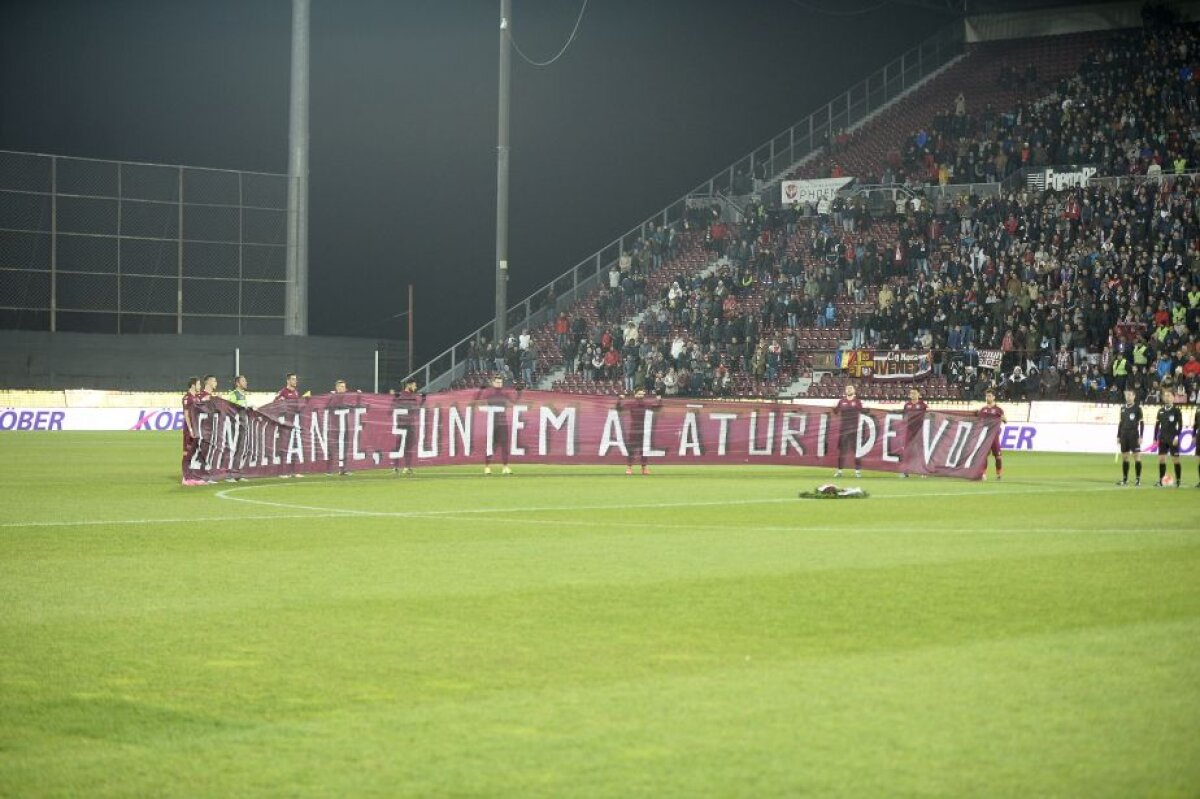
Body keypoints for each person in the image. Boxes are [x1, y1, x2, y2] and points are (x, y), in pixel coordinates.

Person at [475, 374, 514, 475]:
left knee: (505, 444)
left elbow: (514, 403)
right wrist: (480, 392)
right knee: (491, 445)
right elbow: (478, 402)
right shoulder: (488, 393)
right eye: (497, 382)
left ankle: (505, 467)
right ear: (493, 383)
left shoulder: (505, 393)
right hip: (492, 422)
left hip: (503, 421)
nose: (499, 384)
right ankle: (487, 467)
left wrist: (519, 393)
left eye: (500, 382)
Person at [617, 388, 660, 475]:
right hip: (634, 430)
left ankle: (644, 468)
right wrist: (619, 400)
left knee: (644, 449)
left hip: (644, 430)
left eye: (642, 394)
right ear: (635, 394)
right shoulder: (631, 404)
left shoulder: (646, 404)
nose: (641, 396)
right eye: (639, 394)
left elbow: (657, 408)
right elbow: (619, 409)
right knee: (632, 449)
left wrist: (659, 400)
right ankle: (629, 467)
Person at [1153, 391, 1184, 487]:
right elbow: (1157, 425)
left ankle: (1178, 480)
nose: (1166, 397)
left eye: (1169, 396)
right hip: (1162, 438)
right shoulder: (1161, 411)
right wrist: (1155, 438)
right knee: (1161, 460)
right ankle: (1161, 481)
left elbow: (1180, 425)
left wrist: (1177, 437)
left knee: (1176, 460)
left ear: (1173, 398)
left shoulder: (1176, 410)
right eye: (1165, 396)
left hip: (1172, 438)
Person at [392, 379, 422, 476]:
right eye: (414, 385)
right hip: (402, 425)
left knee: (406, 447)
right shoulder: (402, 396)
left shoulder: (410, 396)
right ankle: (397, 467)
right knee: (400, 447)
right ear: (409, 385)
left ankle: (405, 467)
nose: (415, 387)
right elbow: (392, 408)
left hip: (408, 425)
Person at [1115, 388, 1144, 486]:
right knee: (1125, 457)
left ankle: (1138, 479)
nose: (1128, 397)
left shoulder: (1137, 408)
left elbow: (1142, 423)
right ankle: (1125, 479)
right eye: (1127, 395)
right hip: (1124, 435)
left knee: (1137, 457)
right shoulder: (1122, 408)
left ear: (1134, 396)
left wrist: (1141, 436)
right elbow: (1121, 423)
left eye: (1130, 395)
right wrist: (1118, 436)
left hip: (1134, 435)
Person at [834, 383, 863, 478]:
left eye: (851, 388)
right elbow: (835, 411)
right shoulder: (841, 401)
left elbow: (863, 412)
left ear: (854, 390)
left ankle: (857, 471)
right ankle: (839, 471)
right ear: (845, 391)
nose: (849, 390)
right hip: (844, 430)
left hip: (854, 430)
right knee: (842, 451)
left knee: (856, 451)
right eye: (848, 388)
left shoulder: (857, 401)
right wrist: (832, 407)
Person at [977, 388, 1006, 480]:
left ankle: (999, 474)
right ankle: (983, 474)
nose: (987, 398)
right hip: (985, 436)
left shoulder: (998, 410)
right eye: (986, 396)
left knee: (998, 456)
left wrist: (1002, 419)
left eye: (989, 396)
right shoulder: (983, 409)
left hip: (994, 436)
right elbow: (978, 421)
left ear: (993, 397)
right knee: (984, 455)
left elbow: (1005, 420)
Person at [181, 377, 205, 486]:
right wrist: (190, 429)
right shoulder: (187, 398)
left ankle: (193, 476)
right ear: (193, 385)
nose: (200, 386)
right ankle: (185, 478)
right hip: (189, 430)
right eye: (199, 384)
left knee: (195, 453)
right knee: (187, 453)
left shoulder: (196, 398)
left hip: (196, 428)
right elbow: (186, 414)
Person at [899, 386, 927, 478]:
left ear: (919, 394)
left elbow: (928, 416)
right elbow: (904, 416)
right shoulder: (907, 405)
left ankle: (922, 471)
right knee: (907, 450)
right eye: (911, 393)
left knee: (920, 450)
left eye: (914, 393)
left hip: (919, 430)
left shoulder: (923, 405)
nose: (913, 395)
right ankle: (905, 471)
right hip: (909, 429)